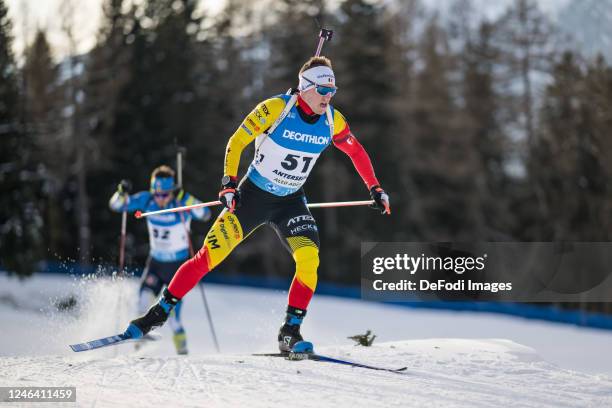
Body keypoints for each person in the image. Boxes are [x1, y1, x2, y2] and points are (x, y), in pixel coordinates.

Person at [125, 56, 391, 353]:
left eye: (333, 91)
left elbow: (356, 152)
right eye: (322, 90)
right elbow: (236, 142)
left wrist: (375, 187)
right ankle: (157, 314)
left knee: (309, 259)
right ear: (305, 88)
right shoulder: (275, 109)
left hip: (291, 201)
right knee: (207, 258)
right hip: (252, 196)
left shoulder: (333, 120)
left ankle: (290, 331)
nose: (328, 97)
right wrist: (228, 183)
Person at [109, 165, 211, 354]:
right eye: (157, 194)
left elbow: (205, 214)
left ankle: (183, 351)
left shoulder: (181, 203)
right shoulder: (147, 201)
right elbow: (116, 205)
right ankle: (138, 349)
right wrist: (121, 192)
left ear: (172, 192)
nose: (160, 199)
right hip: (155, 264)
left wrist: (184, 198)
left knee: (173, 319)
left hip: (177, 268)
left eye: (165, 195)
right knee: (141, 304)